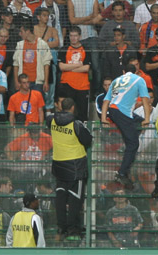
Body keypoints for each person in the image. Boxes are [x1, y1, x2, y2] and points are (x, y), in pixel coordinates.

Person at [100, 61, 152, 188]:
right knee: (134, 143)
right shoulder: (139, 80)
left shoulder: (116, 80)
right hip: (122, 112)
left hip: (113, 110)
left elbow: (106, 100)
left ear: (124, 72)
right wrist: (147, 119)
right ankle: (122, 173)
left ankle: (127, 148)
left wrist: (103, 118)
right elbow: (146, 101)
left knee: (138, 122)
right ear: (136, 72)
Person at [46, 97, 92, 241]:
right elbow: (88, 140)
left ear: (60, 106)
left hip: (58, 164)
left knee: (60, 197)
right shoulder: (76, 124)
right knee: (75, 199)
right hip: (75, 165)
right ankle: (72, 229)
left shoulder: (51, 120)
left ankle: (61, 227)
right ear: (72, 108)